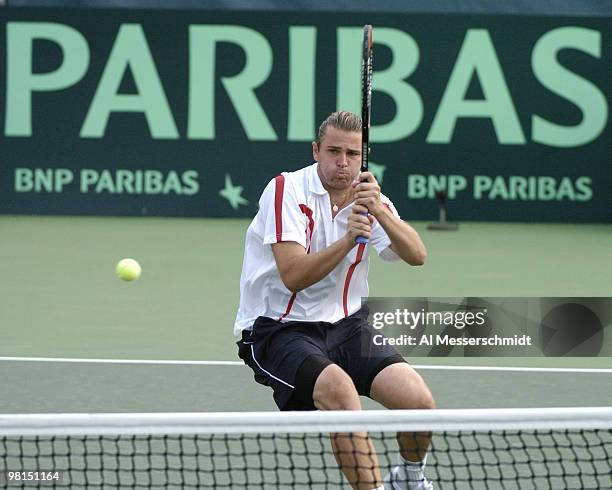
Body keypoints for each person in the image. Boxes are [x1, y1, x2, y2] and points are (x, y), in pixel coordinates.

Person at [235, 111, 435, 490]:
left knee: (419, 404)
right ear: (316, 151)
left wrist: (378, 211)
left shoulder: (367, 197)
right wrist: (348, 240)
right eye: (333, 152)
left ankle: (409, 478)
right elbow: (293, 275)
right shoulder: (285, 191)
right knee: (341, 397)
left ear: (364, 157)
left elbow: (417, 255)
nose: (342, 163)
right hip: (278, 329)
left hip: (347, 326)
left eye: (352, 154)